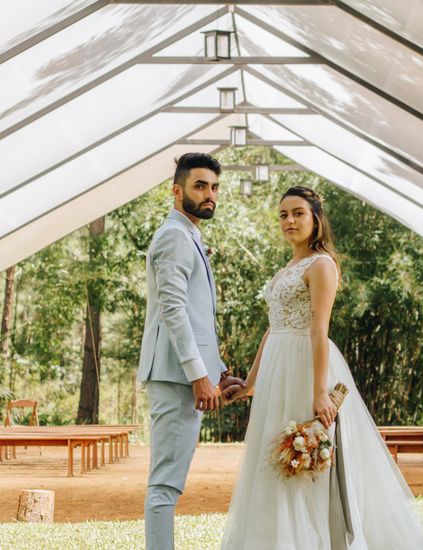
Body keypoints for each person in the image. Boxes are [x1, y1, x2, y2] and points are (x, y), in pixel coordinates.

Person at [220, 186, 423, 549]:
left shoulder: (321, 265)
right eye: (284, 214)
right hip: (277, 371)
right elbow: (273, 328)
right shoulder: (287, 267)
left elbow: (319, 329)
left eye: (298, 213)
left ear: (315, 218)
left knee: (303, 462)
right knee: (273, 458)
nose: (289, 220)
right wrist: (252, 382)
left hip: (307, 367)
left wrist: (320, 392)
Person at [138, 152, 245, 550]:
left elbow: (193, 317)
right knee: (165, 484)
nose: (210, 195)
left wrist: (214, 372)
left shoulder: (189, 235)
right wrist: (198, 376)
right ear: (177, 190)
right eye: (200, 186)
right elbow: (173, 310)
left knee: (170, 480)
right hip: (174, 377)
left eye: (214, 187)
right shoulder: (173, 236)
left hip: (186, 374)